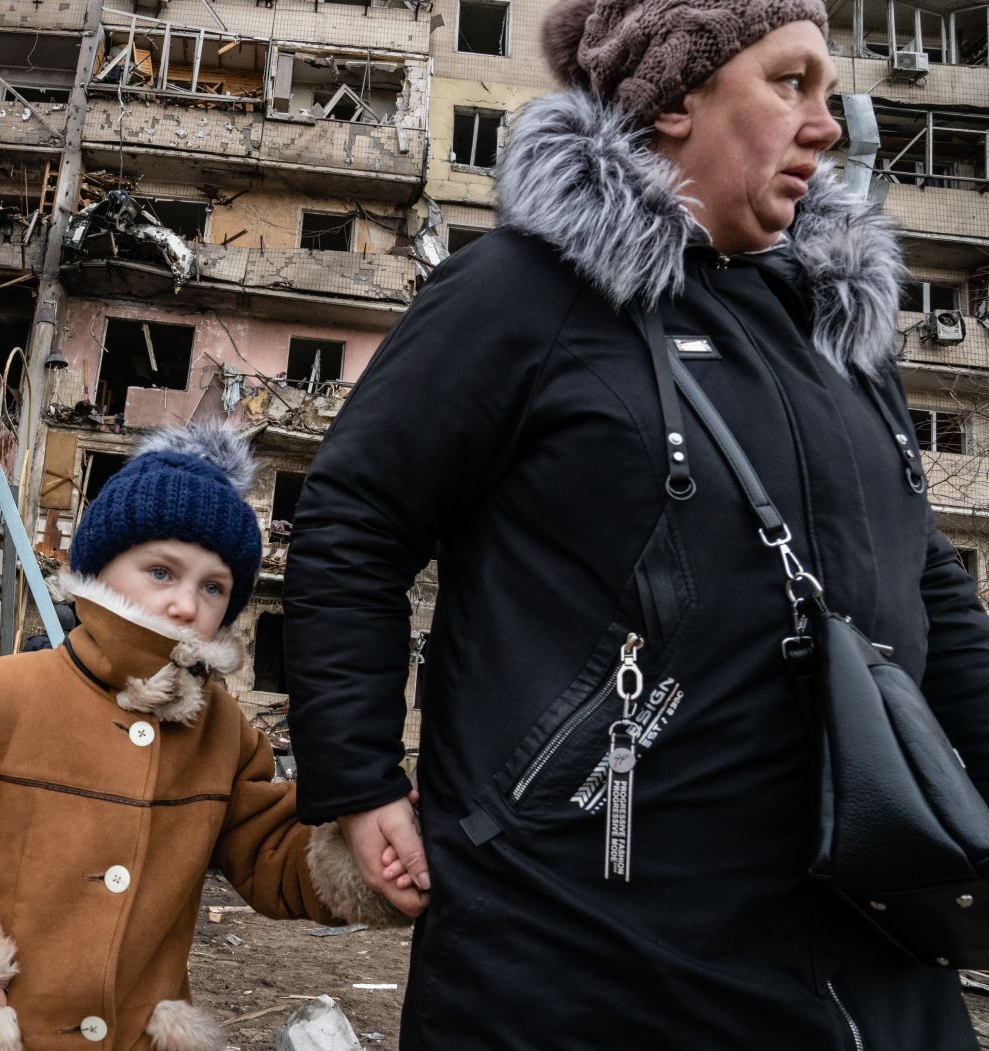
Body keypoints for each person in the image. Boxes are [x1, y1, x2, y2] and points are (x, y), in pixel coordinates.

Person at [283, 2, 989, 1047]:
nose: (827, 125)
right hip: (584, 943)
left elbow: (925, 577)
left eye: (829, 93)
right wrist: (355, 776)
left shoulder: (836, 332)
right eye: (789, 83)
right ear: (671, 100)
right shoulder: (521, 290)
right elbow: (354, 515)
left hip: (867, 943)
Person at [0, 422, 400, 1051]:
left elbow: (270, 854)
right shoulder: (0, 698)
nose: (187, 604)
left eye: (213, 586)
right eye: (161, 571)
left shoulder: (225, 737)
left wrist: (371, 857)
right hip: (2, 1032)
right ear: (100, 568)